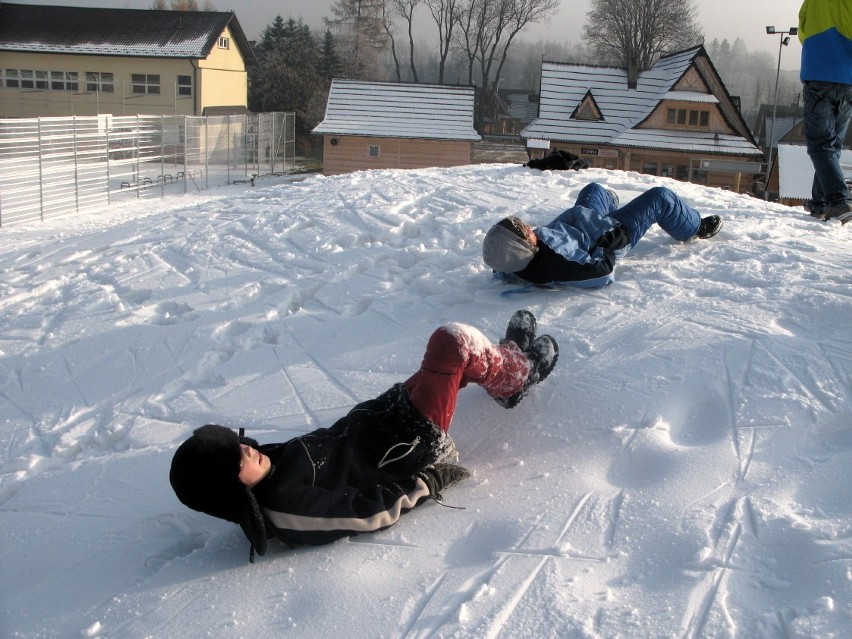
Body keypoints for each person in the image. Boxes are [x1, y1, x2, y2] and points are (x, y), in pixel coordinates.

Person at [169, 311, 558, 561]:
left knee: (450, 364)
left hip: (386, 422)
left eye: (236, 444)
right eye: (236, 461)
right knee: (451, 343)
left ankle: (505, 365)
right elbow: (362, 513)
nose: (246, 450)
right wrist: (426, 481)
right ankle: (516, 375)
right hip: (411, 446)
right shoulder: (286, 507)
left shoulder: (265, 466)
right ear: (232, 492)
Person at [482, 182, 723, 289]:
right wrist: (608, 242)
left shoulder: (511, 259)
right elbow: (601, 273)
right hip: (613, 230)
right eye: (523, 230)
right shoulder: (556, 262)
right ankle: (694, 227)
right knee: (660, 197)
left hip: (586, 220)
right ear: (522, 248)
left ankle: (608, 203)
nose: (527, 226)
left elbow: (500, 260)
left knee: (594, 189)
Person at [798, 0, 852, 224]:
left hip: (819, 72)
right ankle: (820, 203)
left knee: (821, 145)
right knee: (832, 146)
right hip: (848, 79)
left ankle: (838, 200)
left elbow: (802, 29)